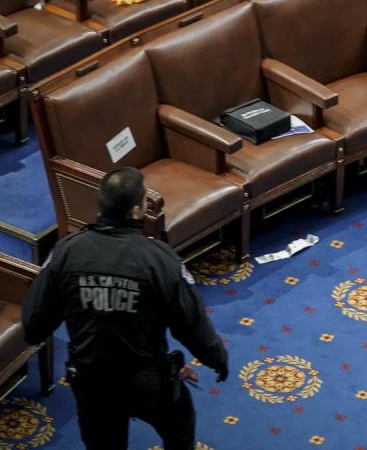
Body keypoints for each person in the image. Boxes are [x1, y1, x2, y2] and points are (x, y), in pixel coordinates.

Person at [22, 167, 229, 450]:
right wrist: (216, 357)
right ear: (136, 210)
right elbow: (190, 322)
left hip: (91, 379)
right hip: (146, 380)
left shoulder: (65, 252)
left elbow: (34, 324)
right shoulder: (160, 259)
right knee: (180, 431)